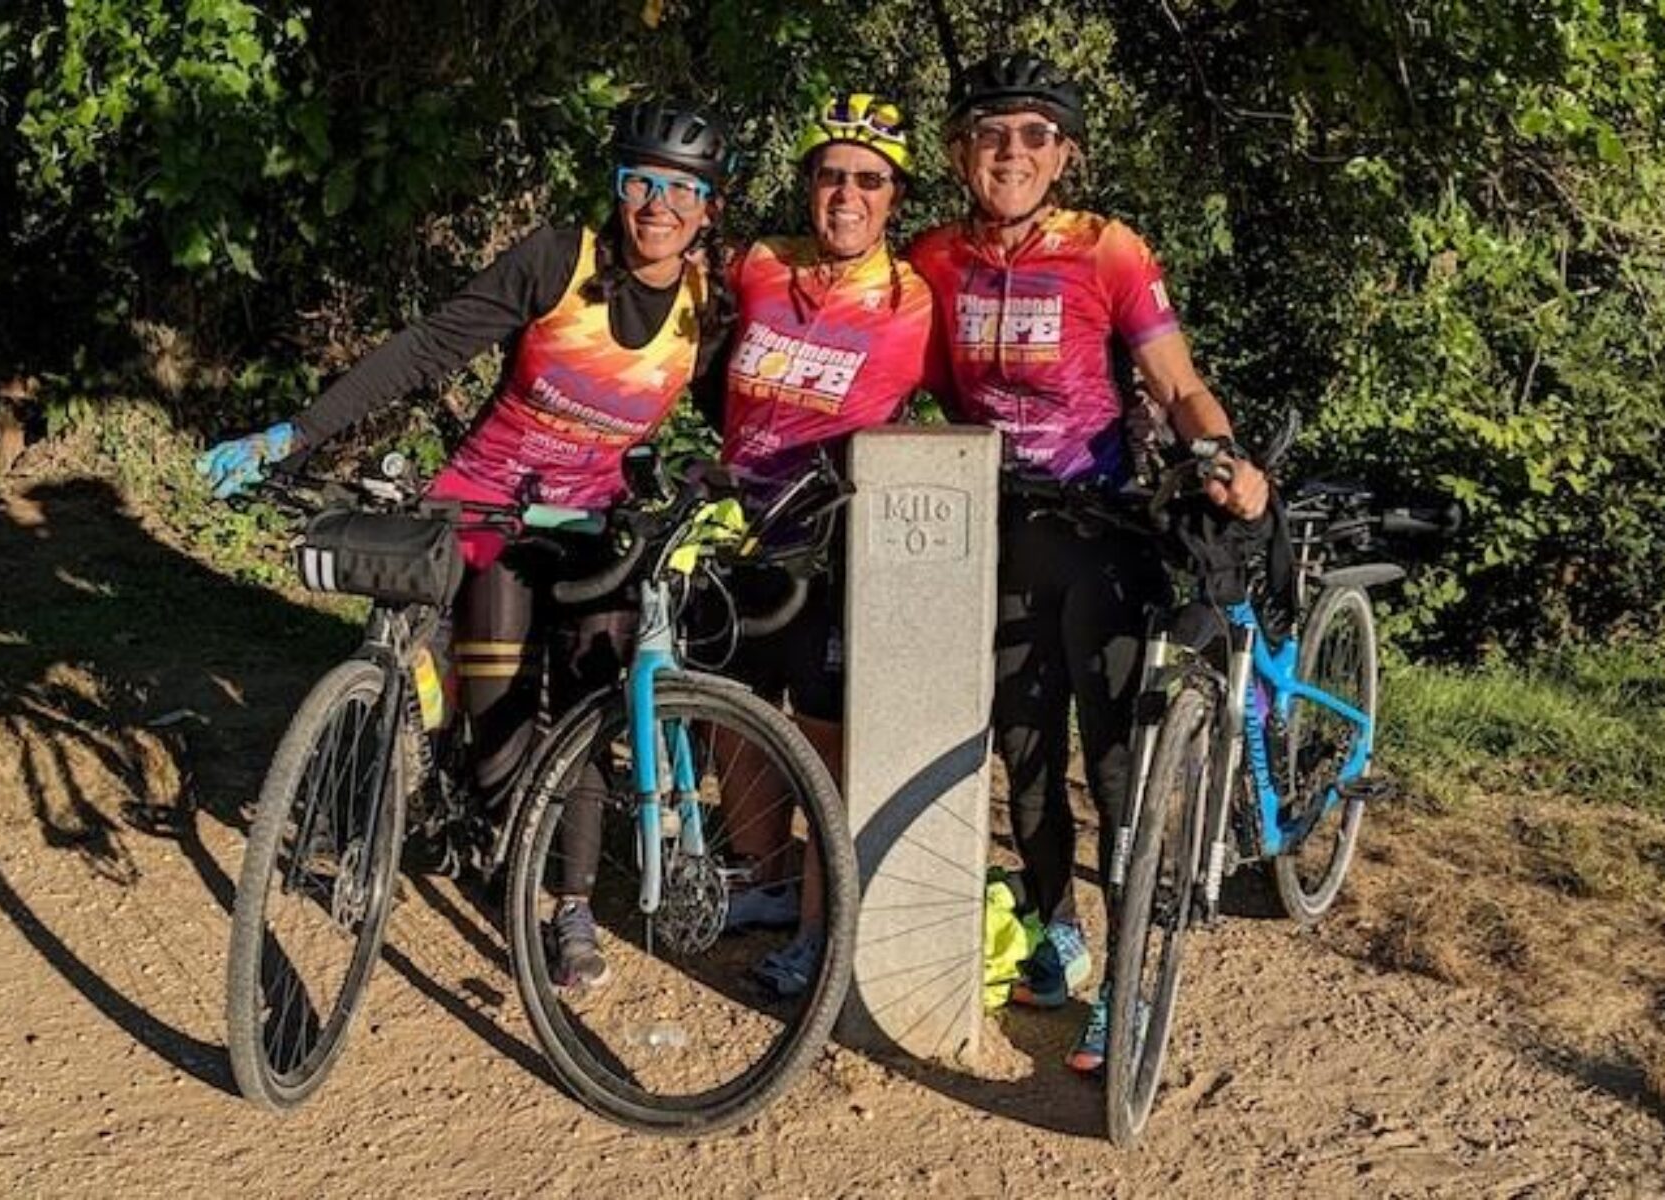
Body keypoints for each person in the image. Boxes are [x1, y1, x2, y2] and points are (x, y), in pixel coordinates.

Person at [197, 99, 735, 992]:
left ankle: (568, 906)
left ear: (709, 207)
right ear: (616, 185)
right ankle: (488, 837)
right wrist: (291, 434)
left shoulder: (707, 302)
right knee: (498, 719)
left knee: (590, 712)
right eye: (640, 180)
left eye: (682, 189)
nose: (658, 204)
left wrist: (733, 487)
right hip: (489, 512)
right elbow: (428, 348)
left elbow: (734, 414)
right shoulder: (559, 260)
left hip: (594, 523)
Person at [907, 53, 1268, 1072]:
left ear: (1062, 153)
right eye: (990, 133)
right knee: (1021, 753)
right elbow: (906, 377)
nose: (1010, 153)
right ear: (958, 151)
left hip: (1108, 533)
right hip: (1002, 531)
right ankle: (1056, 933)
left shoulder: (1108, 250)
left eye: (1033, 135)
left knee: (1114, 764)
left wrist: (1226, 458)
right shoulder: (936, 257)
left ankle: (1129, 974)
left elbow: (1178, 380)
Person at [707, 91, 941, 997]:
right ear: (808, 183)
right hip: (737, 529)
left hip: (837, 544)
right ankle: (765, 879)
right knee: (731, 706)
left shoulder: (916, 300)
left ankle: (818, 924)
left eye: (869, 181)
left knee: (823, 734)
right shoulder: (758, 266)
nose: (848, 194)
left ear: (895, 197)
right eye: (831, 175)